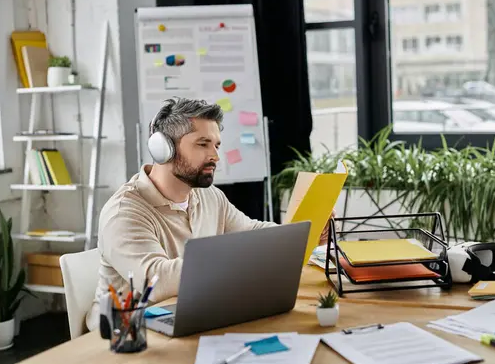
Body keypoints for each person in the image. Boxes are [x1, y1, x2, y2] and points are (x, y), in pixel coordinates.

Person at [85, 97, 332, 331]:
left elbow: (250, 232)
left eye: (216, 145)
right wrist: (236, 259)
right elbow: (155, 281)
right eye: (202, 144)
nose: (214, 155)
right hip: (124, 335)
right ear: (163, 149)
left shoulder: (208, 196)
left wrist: (304, 234)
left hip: (189, 315)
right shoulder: (125, 212)